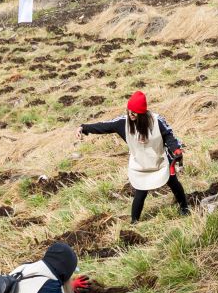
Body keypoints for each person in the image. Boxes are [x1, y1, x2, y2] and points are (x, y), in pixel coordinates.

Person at [79, 92, 187, 221]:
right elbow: (104, 126)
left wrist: (176, 150)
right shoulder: (123, 123)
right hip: (140, 164)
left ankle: (184, 208)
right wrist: (83, 128)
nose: (131, 114)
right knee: (141, 192)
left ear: (142, 113)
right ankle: (134, 221)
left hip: (160, 159)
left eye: (135, 112)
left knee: (173, 183)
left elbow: (169, 136)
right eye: (129, 110)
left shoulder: (157, 121)